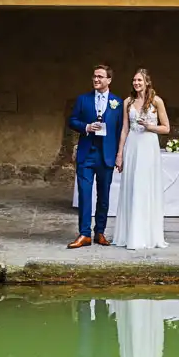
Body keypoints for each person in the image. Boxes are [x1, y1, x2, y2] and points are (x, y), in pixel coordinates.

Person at [68, 64, 124, 249]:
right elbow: (72, 120)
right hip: (87, 154)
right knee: (84, 194)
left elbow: (120, 130)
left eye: (100, 76)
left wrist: (119, 154)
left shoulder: (117, 102)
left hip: (106, 155)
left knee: (104, 196)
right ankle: (84, 234)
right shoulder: (83, 99)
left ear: (109, 80)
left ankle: (100, 231)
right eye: (94, 76)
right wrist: (86, 127)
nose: (96, 79)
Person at [113, 68, 170, 251]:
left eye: (139, 80)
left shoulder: (156, 101)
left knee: (145, 188)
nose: (136, 83)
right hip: (133, 145)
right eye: (134, 80)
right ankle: (130, 234)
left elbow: (166, 128)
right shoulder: (127, 102)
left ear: (147, 82)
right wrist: (120, 154)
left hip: (148, 146)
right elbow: (124, 129)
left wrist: (150, 126)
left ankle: (147, 235)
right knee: (132, 187)